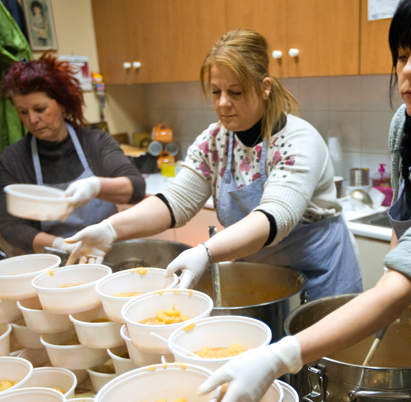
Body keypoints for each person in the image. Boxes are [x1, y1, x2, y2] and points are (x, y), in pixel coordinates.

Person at [187, 0, 411, 402]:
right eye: (403, 54)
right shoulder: (408, 125)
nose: (408, 72)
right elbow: (404, 225)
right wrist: (390, 298)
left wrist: (278, 357)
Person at [66, 30, 362, 301]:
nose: (222, 103)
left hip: (320, 277)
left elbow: (275, 217)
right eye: (216, 91)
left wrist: (207, 252)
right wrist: (110, 229)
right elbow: (175, 202)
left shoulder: (297, 141)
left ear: (265, 87)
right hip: (260, 278)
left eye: (235, 92)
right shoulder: (216, 141)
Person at [0, 53, 145, 254]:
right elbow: (10, 226)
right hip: (54, 260)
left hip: (107, 253)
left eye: (40, 109)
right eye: (23, 112)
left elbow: (136, 188)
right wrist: (63, 246)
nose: (32, 119)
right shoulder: (13, 160)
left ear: (62, 104)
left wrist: (96, 186)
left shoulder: (96, 143)